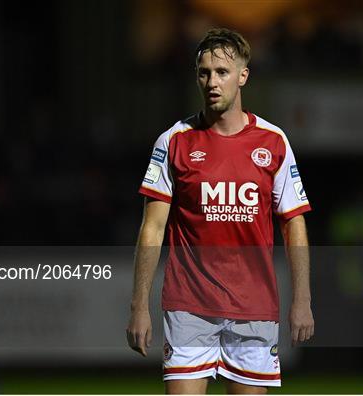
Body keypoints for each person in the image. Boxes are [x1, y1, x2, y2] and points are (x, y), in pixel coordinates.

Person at [126, 28, 314, 394]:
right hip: (188, 308)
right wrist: (139, 306)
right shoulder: (174, 141)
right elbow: (152, 229)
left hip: (255, 307)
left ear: (243, 76)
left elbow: (294, 223)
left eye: (222, 72)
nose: (212, 81)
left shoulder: (273, 142)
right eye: (204, 72)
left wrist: (302, 301)